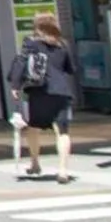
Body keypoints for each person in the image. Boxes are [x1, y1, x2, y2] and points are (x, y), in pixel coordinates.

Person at [7, 12, 80, 183]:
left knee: (33, 128)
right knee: (62, 132)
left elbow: (20, 62)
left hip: (39, 92)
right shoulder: (63, 44)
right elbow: (71, 69)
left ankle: (35, 163)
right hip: (62, 92)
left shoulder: (31, 42)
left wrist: (15, 85)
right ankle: (63, 171)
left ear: (37, 26)